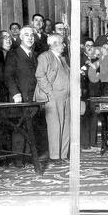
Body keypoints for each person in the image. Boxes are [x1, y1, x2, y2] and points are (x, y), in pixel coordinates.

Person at [4, 26, 46, 161]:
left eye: (32, 35)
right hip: (20, 97)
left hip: (34, 97)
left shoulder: (34, 55)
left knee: (31, 127)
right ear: (21, 37)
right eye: (26, 35)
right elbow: (8, 76)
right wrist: (15, 94)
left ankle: (29, 157)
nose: (30, 37)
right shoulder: (13, 54)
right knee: (19, 128)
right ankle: (17, 158)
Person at [34, 34, 70, 163]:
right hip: (53, 97)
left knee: (66, 126)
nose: (64, 45)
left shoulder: (62, 58)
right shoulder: (44, 57)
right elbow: (40, 75)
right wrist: (49, 93)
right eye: (62, 43)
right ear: (54, 44)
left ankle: (63, 155)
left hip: (65, 97)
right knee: (55, 127)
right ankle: (55, 156)